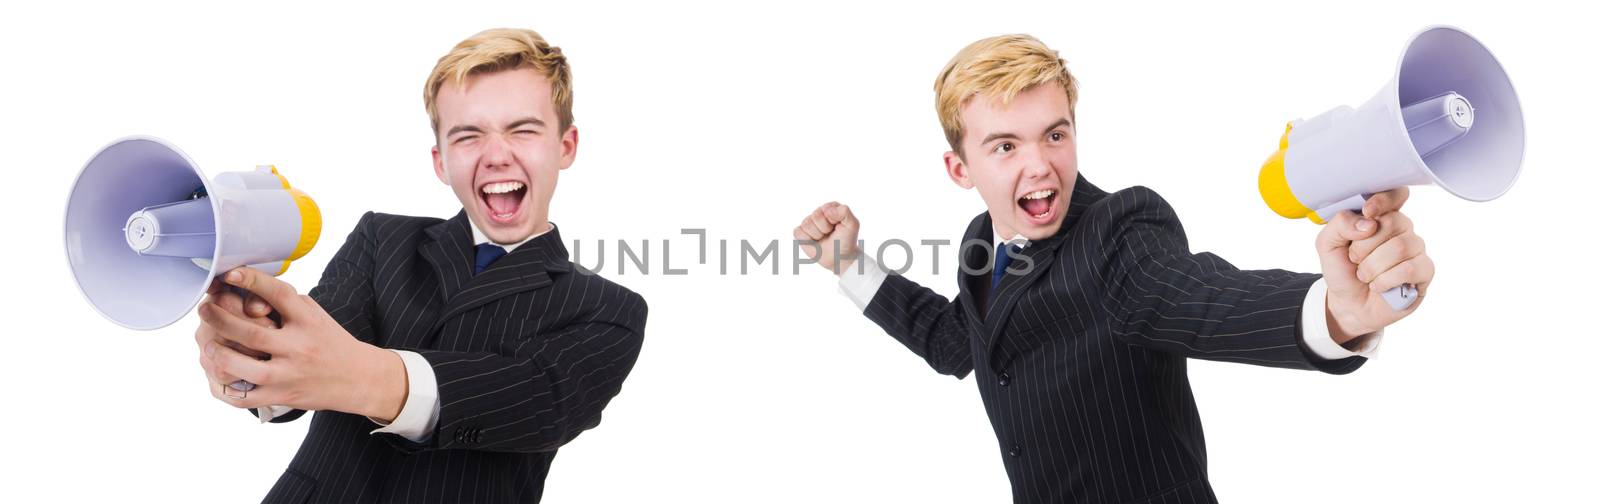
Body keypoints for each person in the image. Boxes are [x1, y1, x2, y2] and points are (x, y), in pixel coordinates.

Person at [792, 34, 1433, 503]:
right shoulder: (981, 241)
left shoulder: (1120, 229)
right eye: (1005, 146)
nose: (1040, 165)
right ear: (960, 168)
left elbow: (1197, 297)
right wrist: (848, 264)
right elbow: (959, 341)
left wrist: (1336, 312)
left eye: (1055, 134)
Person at [193, 28, 647, 503]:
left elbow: (536, 404)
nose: (496, 155)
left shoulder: (609, 311)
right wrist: (250, 358)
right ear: (441, 161)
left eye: (524, 130)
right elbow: (303, 362)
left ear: (565, 146)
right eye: (468, 136)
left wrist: (362, 375)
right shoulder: (382, 238)